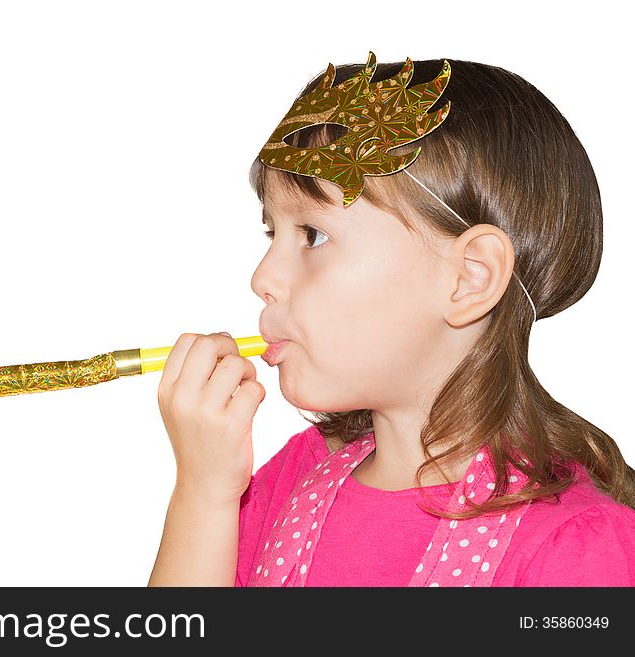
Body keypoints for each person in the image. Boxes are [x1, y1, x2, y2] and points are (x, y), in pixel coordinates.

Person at [147, 55, 635, 587]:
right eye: (272, 234)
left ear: (470, 277)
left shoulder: (577, 547)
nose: (263, 277)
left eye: (313, 234)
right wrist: (204, 490)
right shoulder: (293, 479)